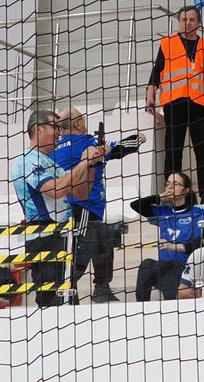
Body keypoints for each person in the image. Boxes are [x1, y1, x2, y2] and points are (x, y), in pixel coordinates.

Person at [10, 109, 106, 307]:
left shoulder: (50, 162)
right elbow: (56, 190)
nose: (60, 133)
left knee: (68, 300)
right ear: (38, 129)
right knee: (52, 301)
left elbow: (81, 194)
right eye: (55, 127)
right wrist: (82, 162)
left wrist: (91, 166)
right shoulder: (28, 160)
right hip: (43, 235)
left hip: (61, 236)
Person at [51, 107, 145, 303]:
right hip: (84, 206)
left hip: (65, 208)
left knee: (100, 242)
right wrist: (139, 138)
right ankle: (76, 291)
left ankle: (98, 288)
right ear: (77, 123)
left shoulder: (54, 148)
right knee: (83, 251)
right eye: (82, 119)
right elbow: (118, 149)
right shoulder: (87, 142)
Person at [144, 5, 204, 203]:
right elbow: (157, 71)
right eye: (183, 19)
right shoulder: (167, 43)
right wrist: (150, 94)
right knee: (173, 148)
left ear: (198, 23)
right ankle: (170, 191)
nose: (187, 23)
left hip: (200, 105)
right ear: (179, 22)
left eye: (192, 20)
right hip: (175, 103)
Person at [130, 173, 204, 302]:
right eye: (168, 184)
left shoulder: (198, 213)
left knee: (168, 271)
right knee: (147, 265)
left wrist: (176, 247)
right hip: (163, 268)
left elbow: (201, 243)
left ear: (186, 190)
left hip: (186, 269)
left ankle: (172, 305)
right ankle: (141, 308)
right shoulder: (163, 212)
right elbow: (135, 205)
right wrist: (160, 197)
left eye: (175, 184)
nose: (170, 187)